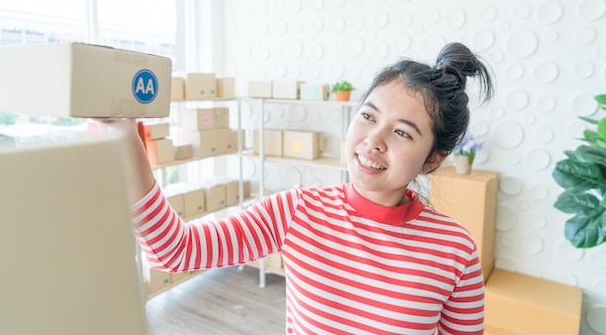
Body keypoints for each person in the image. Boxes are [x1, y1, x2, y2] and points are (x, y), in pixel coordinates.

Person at [115, 42, 494, 335]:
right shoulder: (298, 212)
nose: (372, 141)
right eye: (368, 116)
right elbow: (175, 252)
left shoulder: (454, 251)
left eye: (401, 132)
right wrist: (124, 135)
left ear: (433, 159)